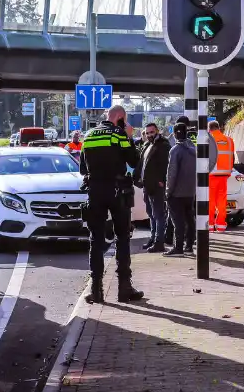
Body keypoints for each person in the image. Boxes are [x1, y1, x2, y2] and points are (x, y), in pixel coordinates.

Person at [78, 105, 144, 304]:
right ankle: (124, 288)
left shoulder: (88, 136)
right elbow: (133, 161)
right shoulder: (118, 134)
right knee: (122, 237)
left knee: (95, 239)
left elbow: (83, 169)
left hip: (95, 192)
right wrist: (130, 137)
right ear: (121, 118)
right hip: (117, 192)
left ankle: (96, 291)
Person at [137, 123, 171, 253]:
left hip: (157, 186)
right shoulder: (147, 145)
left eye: (152, 132)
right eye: (147, 133)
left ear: (157, 131)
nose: (149, 135)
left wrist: (162, 181)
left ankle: (159, 242)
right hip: (147, 185)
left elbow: (166, 165)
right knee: (151, 214)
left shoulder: (163, 145)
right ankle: (153, 238)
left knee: (158, 215)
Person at [164, 122, 196, 256]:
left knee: (178, 221)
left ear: (176, 133)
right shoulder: (193, 149)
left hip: (177, 193)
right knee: (190, 219)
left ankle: (178, 248)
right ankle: (189, 246)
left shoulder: (175, 150)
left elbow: (172, 173)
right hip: (190, 192)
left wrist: (168, 191)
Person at [206, 120, 234, 231]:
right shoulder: (229, 140)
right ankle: (221, 225)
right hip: (224, 174)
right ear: (219, 128)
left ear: (209, 129)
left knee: (210, 201)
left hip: (211, 175)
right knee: (222, 200)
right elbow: (232, 158)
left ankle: (210, 225)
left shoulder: (208, 140)